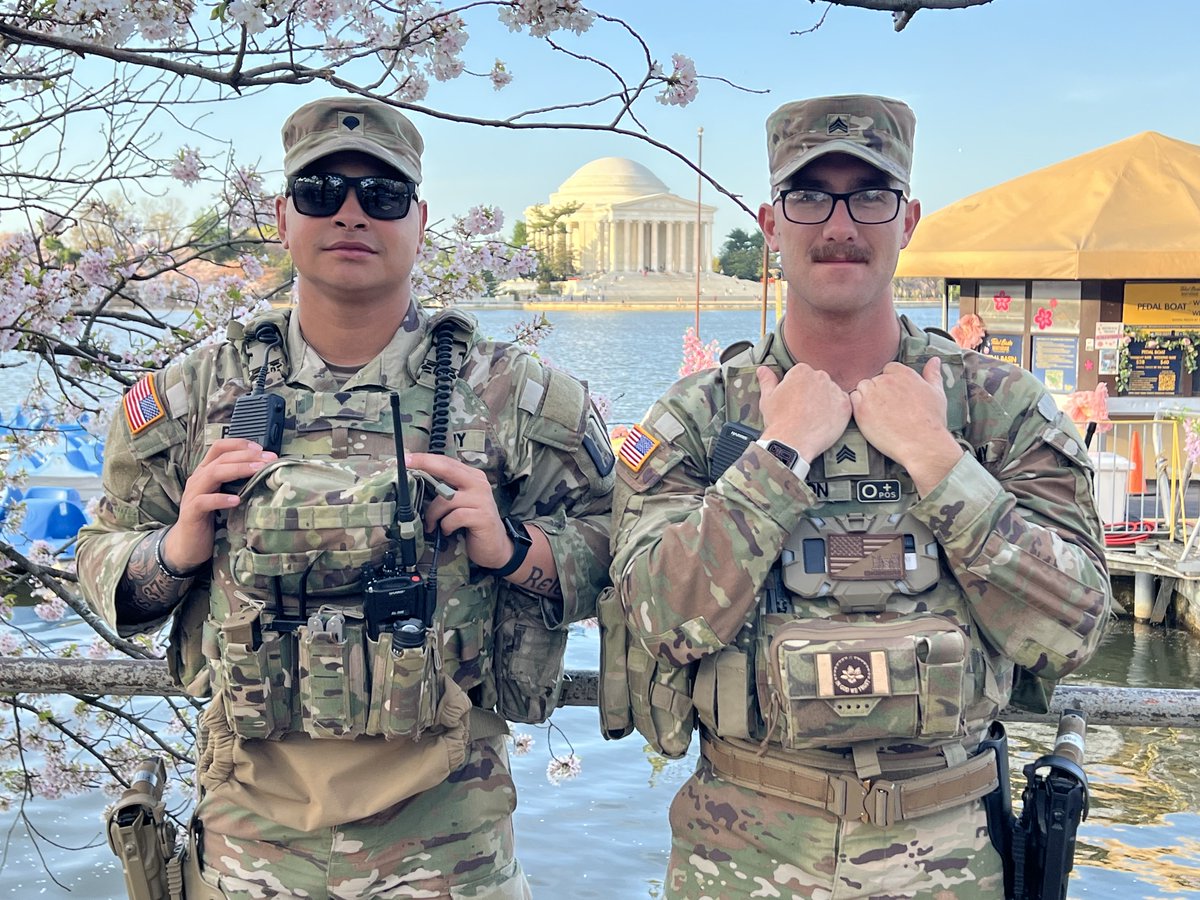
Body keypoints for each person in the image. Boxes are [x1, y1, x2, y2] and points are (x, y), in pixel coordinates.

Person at [78, 95, 614, 899]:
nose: (351, 214)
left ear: (420, 219)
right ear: (283, 217)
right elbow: (105, 552)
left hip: (450, 837)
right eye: (321, 192)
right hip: (252, 832)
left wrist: (513, 548)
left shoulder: (519, 396)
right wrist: (179, 546)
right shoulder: (193, 395)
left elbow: (618, 549)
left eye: (383, 195)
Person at [607, 94, 1112, 898]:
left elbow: (1072, 630)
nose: (839, 224)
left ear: (907, 219)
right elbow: (659, 619)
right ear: (772, 225)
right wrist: (777, 457)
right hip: (740, 852)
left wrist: (941, 463)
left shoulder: (998, 407)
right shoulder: (698, 418)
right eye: (809, 196)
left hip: (949, 854)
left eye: (869, 195)